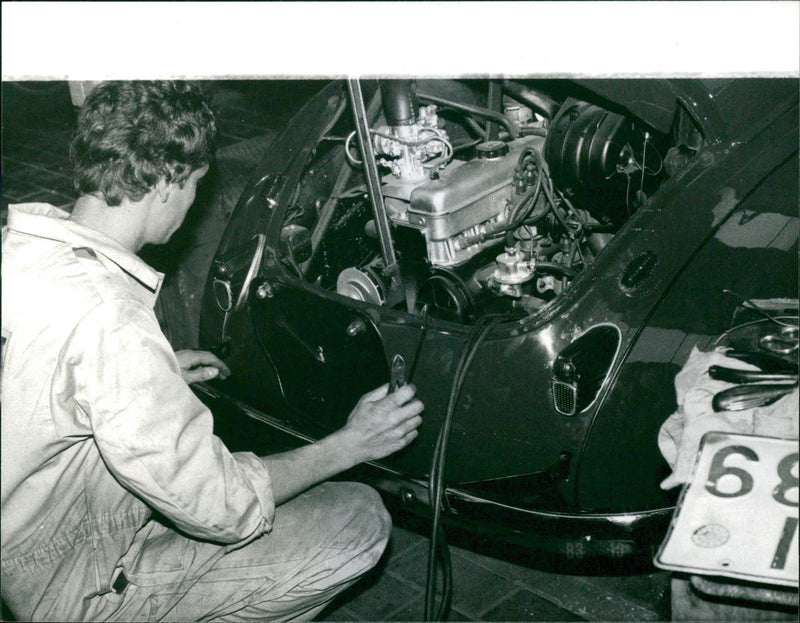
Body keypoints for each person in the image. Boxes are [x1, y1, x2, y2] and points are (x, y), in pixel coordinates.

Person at [0, 81, 424, 622]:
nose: (194, 200)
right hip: (78, 582)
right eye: (197, 182)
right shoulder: (111, 322)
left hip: (21, 543)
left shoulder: (21, 250)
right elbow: (224, 508)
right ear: (167, 182)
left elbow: (38, 376)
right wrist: (352, 444)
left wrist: (154, 372)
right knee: (358, 519)